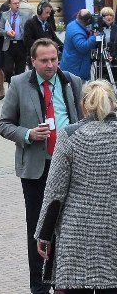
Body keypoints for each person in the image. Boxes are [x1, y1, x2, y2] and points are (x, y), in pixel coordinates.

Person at [0, 38, 83, 294]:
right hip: (37, 167)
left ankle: (65, 282)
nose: (50, 65)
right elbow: (4, 124)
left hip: (70, 166)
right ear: (32, 61)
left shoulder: (72, 81)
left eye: (54, 59)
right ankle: (40, 285)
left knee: (69, 226)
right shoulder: (19, 84)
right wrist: (28, 134)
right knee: (39, 227)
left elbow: (83, 118)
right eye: (44, 60)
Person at [35, 80, 117, 293]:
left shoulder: (69, 135)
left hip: (76, 235)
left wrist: (44, 234)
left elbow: (55, 192)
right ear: (114, 104)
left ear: (83, 105)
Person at [0, 0, 33, 84]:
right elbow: (0, 29)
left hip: (21, 44)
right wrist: (6, 33)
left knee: (20, 70)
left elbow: (29, 28)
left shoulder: (26, 15)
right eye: (14, 3)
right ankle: (11, 87)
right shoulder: (4, 15)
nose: (17, 5)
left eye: (18, 3)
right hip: (9, 44)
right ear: (10, 5)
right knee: (8, 69)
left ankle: (19, 90)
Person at [60, 9, 98, 81]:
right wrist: (95, 37)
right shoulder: (77, 33)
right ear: (89, 20)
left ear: (78, 15)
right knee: (77, 91)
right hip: (76, 70)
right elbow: (83, 47)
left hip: (68, 64)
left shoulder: (71, 25)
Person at [23, 2, 64, 70]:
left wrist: (63, 47)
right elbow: (27, 40)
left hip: (48, 56)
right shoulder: (30, 23)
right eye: (47, 12)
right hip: (35, 57)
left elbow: (54, 38)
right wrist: (42, 44)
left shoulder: (47, 24)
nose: (48, 15)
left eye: (49, 13)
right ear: (39, 11)